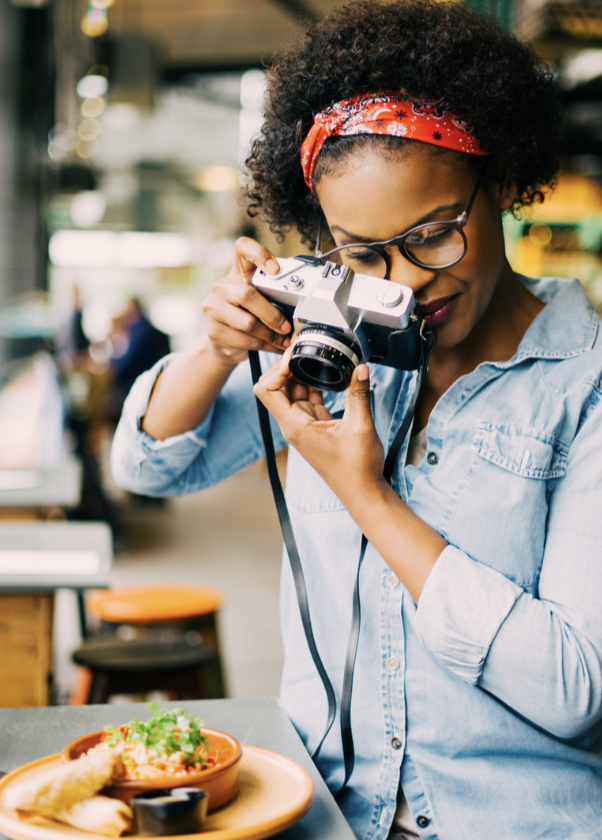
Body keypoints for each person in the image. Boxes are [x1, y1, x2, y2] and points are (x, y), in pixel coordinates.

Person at [111, 2, 602, 838]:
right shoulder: (340, 335)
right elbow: (147, 467)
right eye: (363, 253)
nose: (406, 283)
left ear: (504, 181)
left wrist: (365, 495)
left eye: (435, 234)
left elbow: (574, 694)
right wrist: (219, 349)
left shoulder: (584, 385)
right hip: (321, 815)